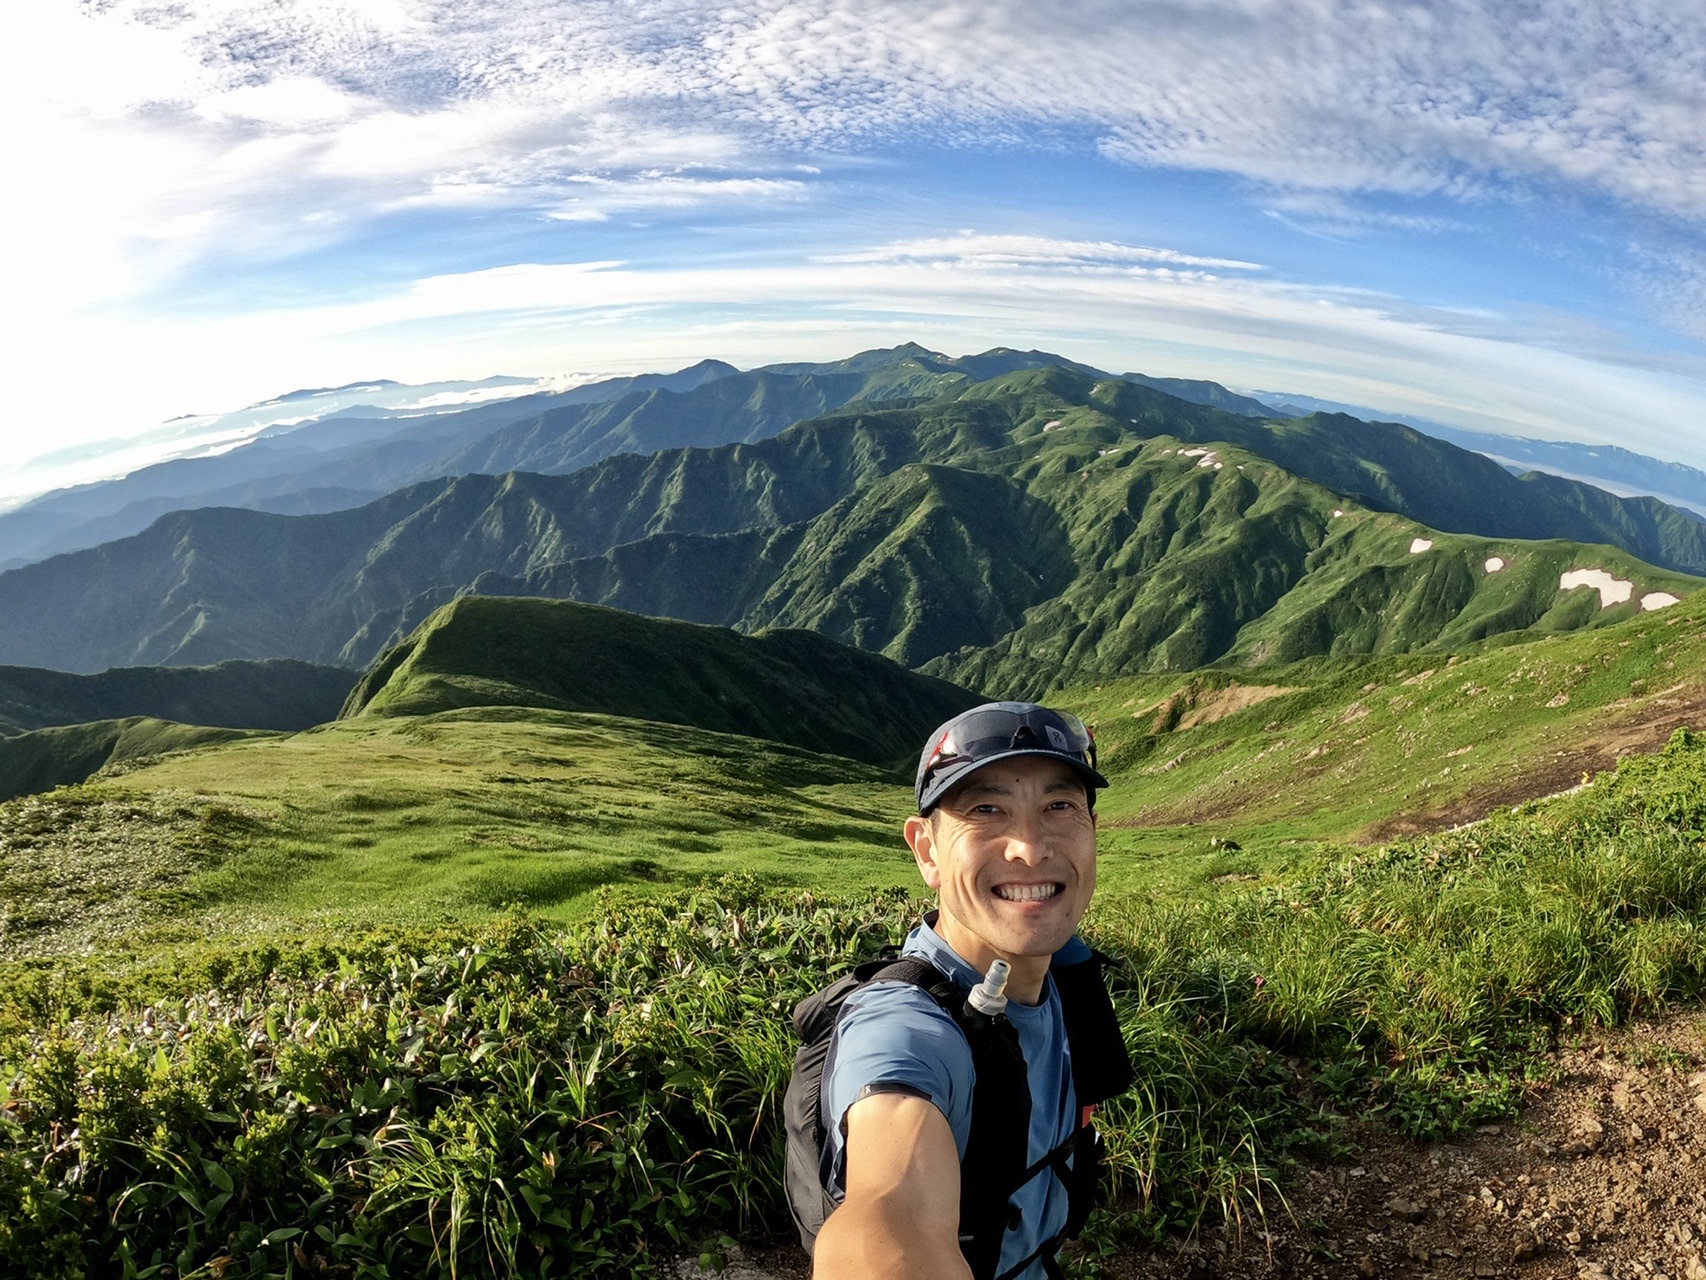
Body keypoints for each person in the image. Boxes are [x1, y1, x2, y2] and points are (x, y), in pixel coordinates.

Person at [809, 701, 1114, 1280]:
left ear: (1093, 831)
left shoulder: (1066, 969)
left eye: (1059, 806)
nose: (1029, 847)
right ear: (926, 851)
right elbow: (888, 1218)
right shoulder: (904, 1026)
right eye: (986, 809)